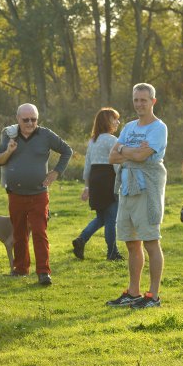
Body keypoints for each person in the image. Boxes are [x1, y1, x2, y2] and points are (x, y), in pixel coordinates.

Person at [0, 103, 72, 285]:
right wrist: (9, 151)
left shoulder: (45, 135)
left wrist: (56, 172)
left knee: (39, 232)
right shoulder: (10, 134)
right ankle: (21, 269)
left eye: (34, 119)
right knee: (19, 233)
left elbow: (67, 151)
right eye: (26, 119)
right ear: (17, 119)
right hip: (15, 193)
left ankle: (44, 272)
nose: (30, 123)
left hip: (39, 194)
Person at [105, 83, 168, 309]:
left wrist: (125, 151)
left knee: (151, 240)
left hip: (147, 189)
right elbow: (112, 157)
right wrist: (129, 152)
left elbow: (143, 156)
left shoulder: (158, 128)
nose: (140, 104)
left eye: (144, 100)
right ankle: (133, 292)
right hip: (127, 188)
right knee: (132, 242)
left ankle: (153, 295)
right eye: (136, 100)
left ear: (153, 101)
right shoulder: (130, 127)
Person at [72, 108, 123, 261]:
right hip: (108, 179)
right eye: (115, 119)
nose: (118, 122)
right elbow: (116, 165)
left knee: (102, 217)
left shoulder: (93, 141)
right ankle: (112, 252)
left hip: (95, 179)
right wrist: (121, 183)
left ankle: (81, 240)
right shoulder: (113, 140)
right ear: (107, 121)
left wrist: (87, 186)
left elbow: (87, 165)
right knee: (111, 219)